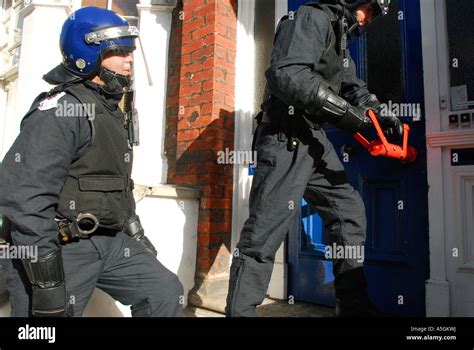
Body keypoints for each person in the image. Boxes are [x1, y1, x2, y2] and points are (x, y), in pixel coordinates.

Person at [0, 6, 183, 317]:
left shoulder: (112, 110)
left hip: (110, 242)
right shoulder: (60, 110)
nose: (130, 60)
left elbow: (115, 187)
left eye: (131, 51)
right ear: (87, 53)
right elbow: (24, 200)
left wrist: (137, 236)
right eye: (120, 51)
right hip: (58, 246)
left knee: (165, 292)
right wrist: (47, 282)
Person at [226, 0, 402, 317]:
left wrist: (379, 112)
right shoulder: (310, 18)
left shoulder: (339, 36)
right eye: (371, 9)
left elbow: (351, 87)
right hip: (284, 137)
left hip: (312, 137)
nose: (369, 19)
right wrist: (350, 117)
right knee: (262, 236)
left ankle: (352, 306)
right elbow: (287, 74)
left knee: (349, 212)